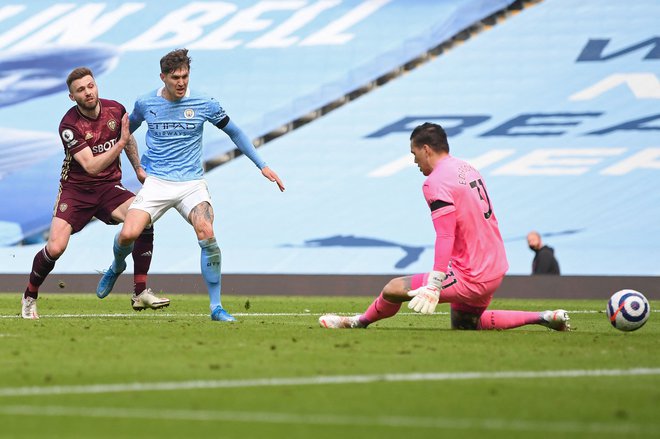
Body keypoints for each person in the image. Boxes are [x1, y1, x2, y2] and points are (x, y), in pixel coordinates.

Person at [319, 123, 570, 331]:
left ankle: (357, 322)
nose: (415, 161)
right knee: (465, 324)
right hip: (495, 265)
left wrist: (436, 282)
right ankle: (545, 317)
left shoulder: (435, 182)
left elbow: (445, 234)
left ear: (426, 149)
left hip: (471, 272)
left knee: (393, 288)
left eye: (414, 154)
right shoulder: (467, 168)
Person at [96, 48, 285, 322]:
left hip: (191, 183)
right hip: (157, 182)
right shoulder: (145, 103)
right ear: (163, 77)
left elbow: (235, 132)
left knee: (206, 231)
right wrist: (134, 167)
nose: (181, 82)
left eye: (185, 76)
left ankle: (216, 307)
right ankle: (116, 265)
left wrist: (262, 165)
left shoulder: (204, 102)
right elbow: (123, 136)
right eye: (175, 77)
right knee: (127, 235)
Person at [21, 67, 168, 320]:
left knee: (144, 218)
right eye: (80, 90)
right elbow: (90, 166)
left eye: (91, 86)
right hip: (75, 190)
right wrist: (120, 143)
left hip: (109, 188)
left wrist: (138, 169)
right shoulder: (69, 125)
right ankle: (29, 296)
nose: (88, 92)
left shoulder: (116, 110)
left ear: (96, 85)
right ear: (72, 97)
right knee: (55, 248)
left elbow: (129, 139)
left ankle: (140, 292)